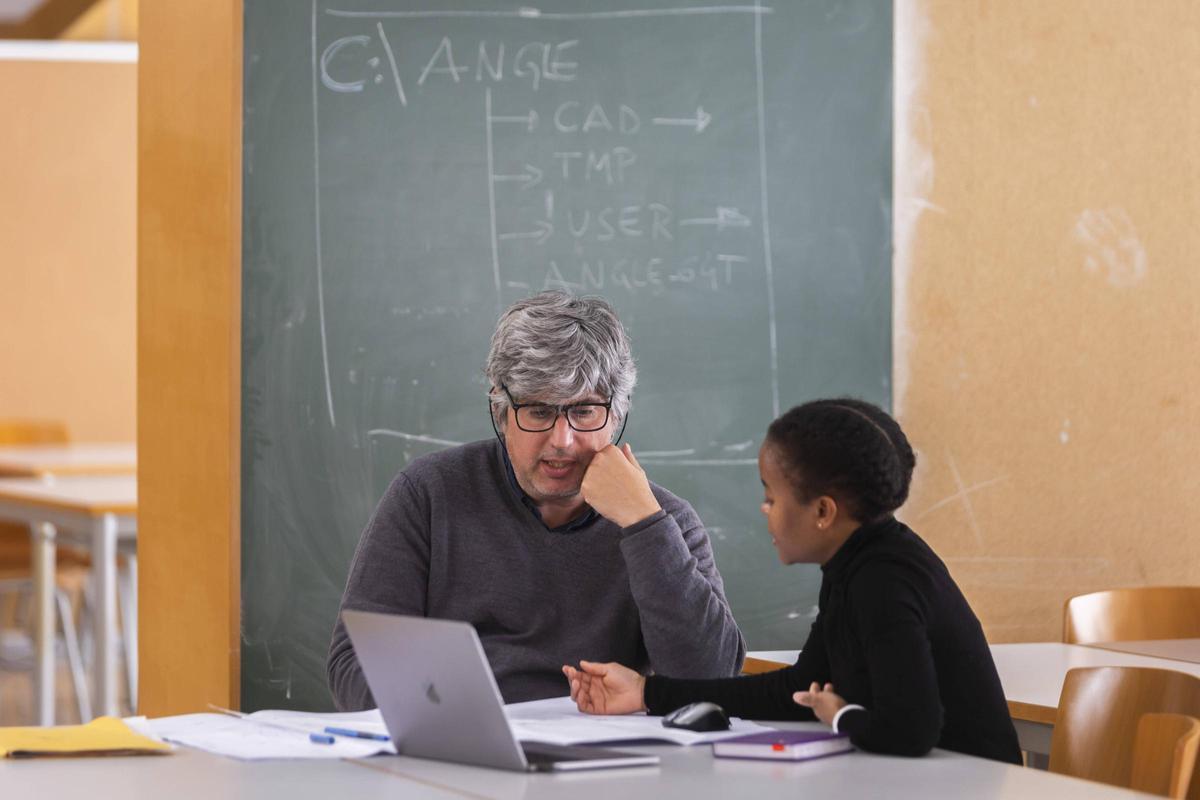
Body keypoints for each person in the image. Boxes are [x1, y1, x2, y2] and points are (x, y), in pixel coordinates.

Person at [328, 290, 745, 709]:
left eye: (584, 412)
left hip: (606, 759)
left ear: (616, 415)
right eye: (539, 412)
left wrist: (644, 524)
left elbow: (711, 684)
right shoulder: (427, 494)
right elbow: (353, 664)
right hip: (462, 750)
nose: (561, 441)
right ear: (501, 411)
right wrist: (447, 717)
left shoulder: (664, 522)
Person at [563, 399, 1022, 763]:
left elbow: (910, 730)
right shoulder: (856, 564)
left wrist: (839, 715)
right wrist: (646, 693)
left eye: (771, 497)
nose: (763, 511)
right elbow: (798, 690)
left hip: (969, 784)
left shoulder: (885, 581)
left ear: (823, 512)